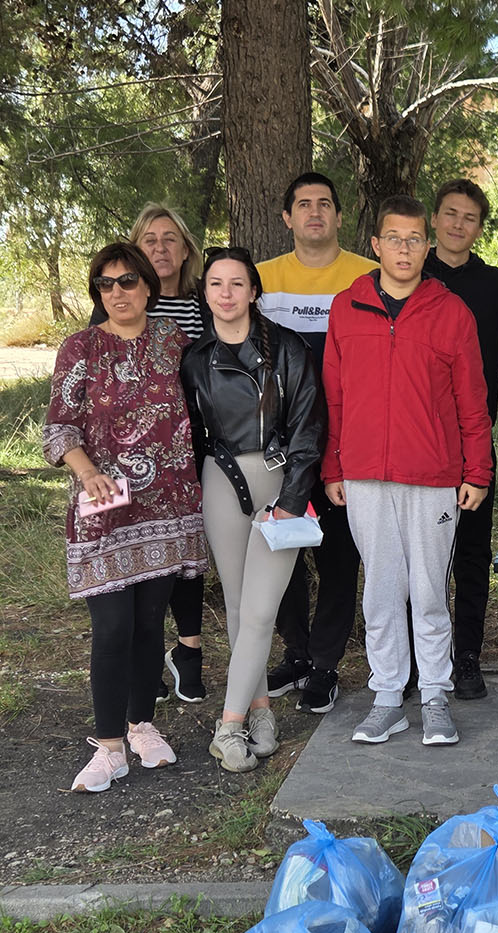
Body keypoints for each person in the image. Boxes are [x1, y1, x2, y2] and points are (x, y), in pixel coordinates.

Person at [323, 195, 493, 746]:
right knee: (381, 588)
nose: (403, 248)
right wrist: (333, 466)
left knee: (427, 590)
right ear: (375, 245)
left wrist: (479, 470)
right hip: (366, 473)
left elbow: (473, 401)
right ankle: (389, 696)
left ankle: (436, 695)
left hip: (434, 476)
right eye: (393, 238)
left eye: (414, 239)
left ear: (428, 246)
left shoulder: (451, 313)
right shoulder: (346, 308)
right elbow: (336, 399)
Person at [44, 243, 206, 792]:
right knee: (111, 627)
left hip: (166, 506)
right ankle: (109, 744)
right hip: (105, 510)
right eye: (106, 284)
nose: (118, 292)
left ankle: (142, 726)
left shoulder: (174, 341)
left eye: (128, 281)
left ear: (148, 286)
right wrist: (87, 472)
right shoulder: (80, 348)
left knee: (146, 624)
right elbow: (60, 426)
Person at [181, 248, 324, 772]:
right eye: (215, 283)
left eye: (236, 283)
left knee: (262, 610)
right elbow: (192, 436)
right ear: (206, 294)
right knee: (239, 607)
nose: (225, 292)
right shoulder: (195, 359)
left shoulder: (288, 349)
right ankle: (261, 710)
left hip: (277, 482)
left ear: (254, 292)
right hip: (221, 480)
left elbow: (310, 430)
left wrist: (291, 500)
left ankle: (228, 724)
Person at [258, 172, 377, 715]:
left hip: (346, 441)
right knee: (280, 552)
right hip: (277, 445)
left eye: (324, 204)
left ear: (338, 214)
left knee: (337, 556)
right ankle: (297, 653)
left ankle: (326, 665)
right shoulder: (260, 280)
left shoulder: (368, 276)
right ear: (286, 218)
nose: (314, 212)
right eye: (302, 204)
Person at [91, 204, 207, 702]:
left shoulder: (197, 310)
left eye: (170, 239)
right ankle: (137, 681)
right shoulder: (105, 318)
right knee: (126, 580)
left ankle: (185, 652)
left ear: (186, 250)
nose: (160, 248)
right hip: (114, 471)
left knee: (180, 554)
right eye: (149, 240)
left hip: (186, 455)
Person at [423, 178, 498, 701]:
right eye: (450, 214)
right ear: (434, 219)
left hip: (475, 439)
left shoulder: (496, 285)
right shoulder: (406, 275)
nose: (458, 225)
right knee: (421, 558)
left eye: (470, 217)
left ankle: (468, 657)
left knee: (473, 553)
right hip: (418, 442)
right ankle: (419, 661)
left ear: (479, 227)